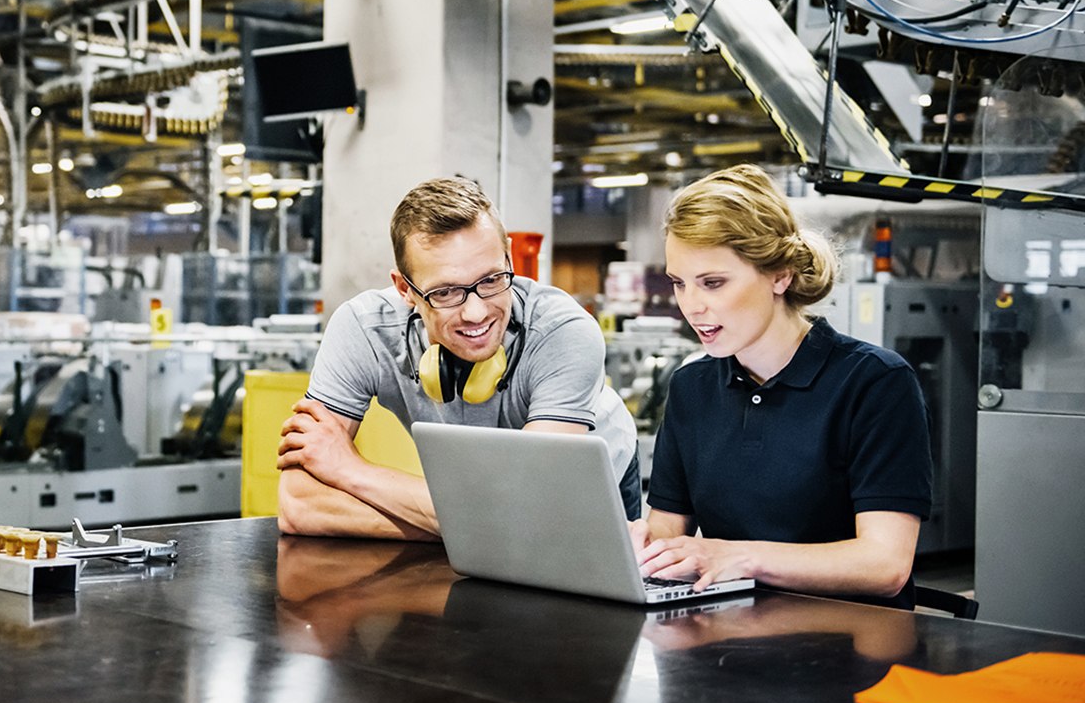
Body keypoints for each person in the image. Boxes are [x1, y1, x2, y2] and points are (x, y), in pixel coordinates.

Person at [630, 164, 932, 609]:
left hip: (845, 641)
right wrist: (641, 546)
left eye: (713, 283)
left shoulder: (875, 383)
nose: (690, 306)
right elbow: (667, 533)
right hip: (727, 634)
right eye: (680, 284)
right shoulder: (692, 387)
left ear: (780, 275)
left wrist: (740, 558)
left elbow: (885, 565)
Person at [277, 177, 640, 540]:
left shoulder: (563, 331)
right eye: (446, 292)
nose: (476, 312)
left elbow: (528, 510)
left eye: (491, 280)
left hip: (593, 487)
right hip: (474, 500)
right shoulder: (364, 329)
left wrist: (351, 470)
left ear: (509, 257)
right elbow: (299, 504)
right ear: (405, 289)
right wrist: (473, 526)